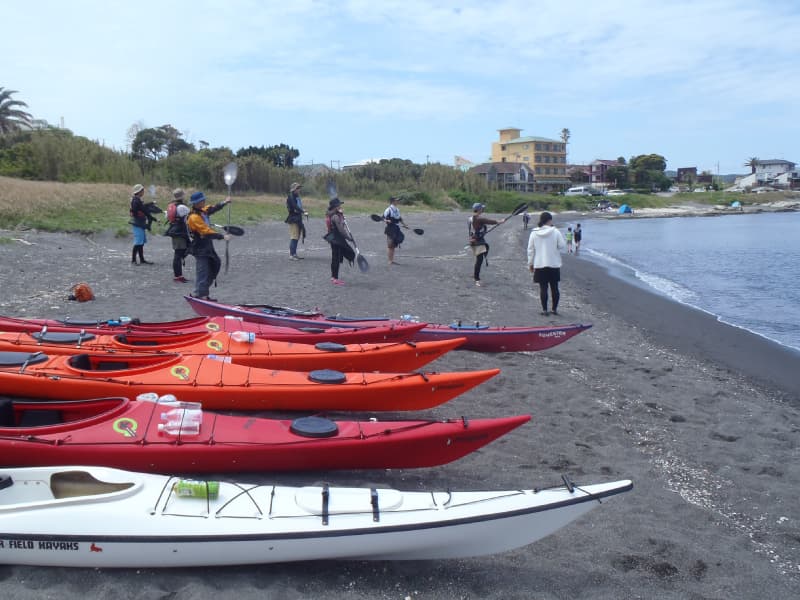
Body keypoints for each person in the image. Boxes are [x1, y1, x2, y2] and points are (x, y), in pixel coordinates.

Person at [186, 191, 231, 301]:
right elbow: (205, 232)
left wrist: (224, 202)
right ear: (196, 203)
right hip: (199, 247)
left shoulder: (202, 211)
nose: (204, 201)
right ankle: (200, 294)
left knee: (215, 264)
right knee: (203, 271)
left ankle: (203, 292)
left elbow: (212, 208)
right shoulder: (193, 217)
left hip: (207, 245)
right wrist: (222, 236)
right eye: (202, 200)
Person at [527, 211, 566, 316]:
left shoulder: (534, 232)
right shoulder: (555, 231)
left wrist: (530, 263)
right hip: (554, 263)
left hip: (540, 263)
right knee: (554, 287)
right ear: (550, 220)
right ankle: (554, 309)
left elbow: (530, 250)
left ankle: (544, 310)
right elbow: (562, 245)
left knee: (543, 288)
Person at [469, 203, 505, 286]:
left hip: (473, 240)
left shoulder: (471, 218)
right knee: (479, 260)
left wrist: (481, 232)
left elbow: (477, 229)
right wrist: (499, 221)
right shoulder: (479, 218)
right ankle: (477, 279)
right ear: (479, 209)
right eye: (482, 208)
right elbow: (488, 221)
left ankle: (475, 275)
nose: (483, 209)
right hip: (478, 242)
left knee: (478, 259)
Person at [324, 197, 355, 286]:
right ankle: (335, 278)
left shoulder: (332, 214)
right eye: (339, 205)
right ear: (335, 206)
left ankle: (333, 277)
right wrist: (349, 238)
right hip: (336, 239)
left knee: (336, 257)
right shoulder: (335, 216)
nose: (340, 206)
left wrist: (341, 217)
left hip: (333, 238)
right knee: (336, 258)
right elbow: (341, 230)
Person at [165, 188, 191, 282]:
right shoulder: (182, 207)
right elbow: (191, 216)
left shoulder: (171, 206)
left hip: (173, 231)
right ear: (182, 196)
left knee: (180, 252)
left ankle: (178, 275)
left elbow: (167, 217)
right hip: (180, 232)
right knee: (178, 254)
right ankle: (178, 276)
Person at [129, 184, 153, 265]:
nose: (143, 192)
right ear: (139, 191)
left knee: (141, 242)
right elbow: (137, 210)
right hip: (138, 223)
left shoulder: (136, 200)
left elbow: (141, 209)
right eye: (143, 190)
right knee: (138, 242)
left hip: (139, 223)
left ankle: (142, 260)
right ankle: (133, 260)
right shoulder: (136, 201)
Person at [285, 182, 307, 260]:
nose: (299, 189)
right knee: (294, 237)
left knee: (297, 237)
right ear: (294, 189)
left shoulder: (296, 196)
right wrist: (302, 211)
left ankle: (294, 254)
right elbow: (294, 206)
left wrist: (302, 210)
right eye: (297, 188)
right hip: (293, 219)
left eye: (299, 188)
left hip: (298, 219)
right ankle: (291, 255)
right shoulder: (291, 197)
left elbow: (298, 207)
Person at [383, 196, 407, 265]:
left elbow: (399, 218)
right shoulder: (388, 210)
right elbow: (382, 218)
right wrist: (386, 220)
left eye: (398, 200)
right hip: (390, 229)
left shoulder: (397, 209)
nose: (398, 201)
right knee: (390, 245)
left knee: (393, 245)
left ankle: (391, 260)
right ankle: (390, 261)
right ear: (393, 201)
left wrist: (405, 225)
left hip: (396, 228)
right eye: (396, 200)